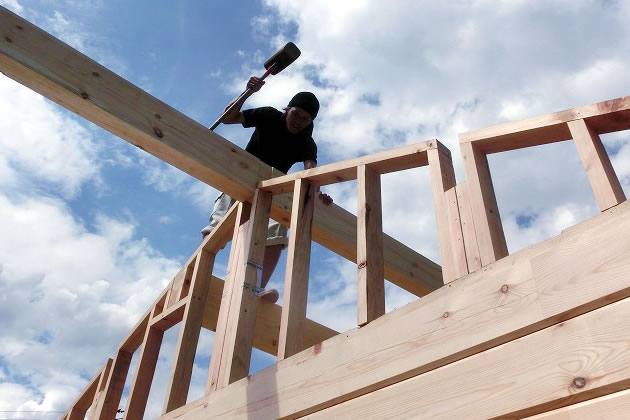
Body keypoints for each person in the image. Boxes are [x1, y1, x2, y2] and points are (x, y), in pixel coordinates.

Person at [201, 76, 332, 303]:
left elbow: (310, 173)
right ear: (287, 109)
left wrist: (318, 193)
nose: (298, 121)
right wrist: (248, 93)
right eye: (296, 114)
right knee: (218, 223)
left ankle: (255, 288)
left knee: (278, 229)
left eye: (305, 118)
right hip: (243, 173)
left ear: (310, 121)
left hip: (272, 188)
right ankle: (200, 274)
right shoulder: (269, 116)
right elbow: (229, 118)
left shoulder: (306, 143)